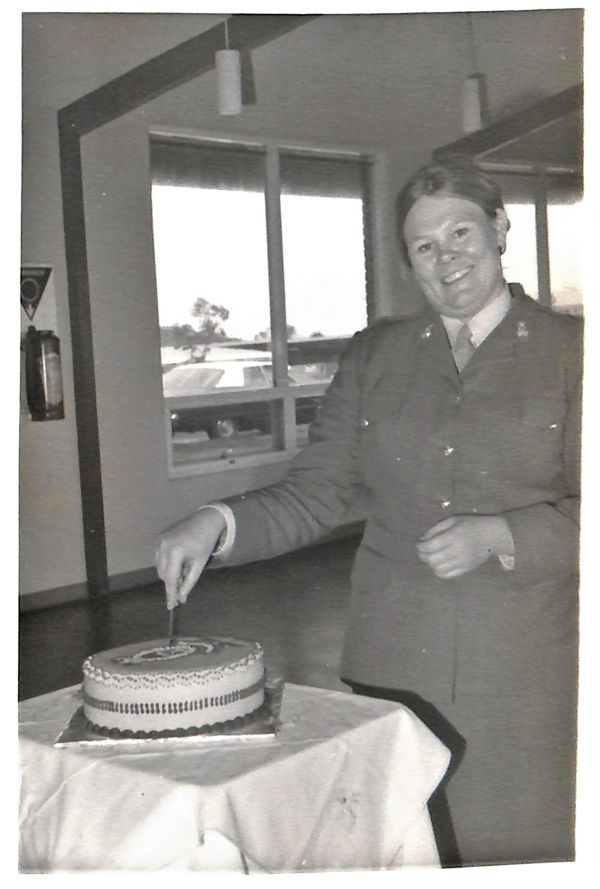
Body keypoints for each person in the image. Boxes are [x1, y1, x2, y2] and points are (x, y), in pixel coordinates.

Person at [156, 159, 582, 868]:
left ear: (500, 228)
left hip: (523, 667)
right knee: (398, 853)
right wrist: (216, 521)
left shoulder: (577, 353)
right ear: (408, 261)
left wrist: (506, 533)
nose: (446, 259)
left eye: (461, 232)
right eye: (424, 246)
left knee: (511, 853)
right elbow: (317, 489)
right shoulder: (375, 355)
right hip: (392, 667)